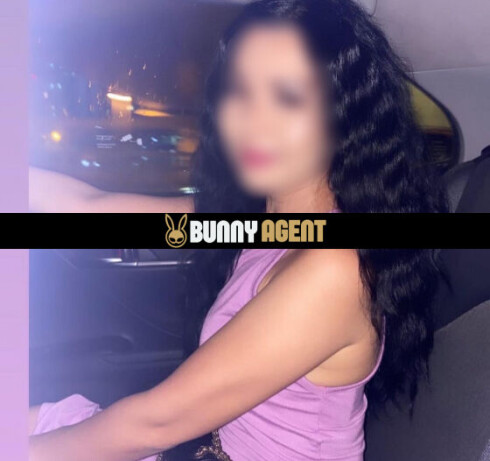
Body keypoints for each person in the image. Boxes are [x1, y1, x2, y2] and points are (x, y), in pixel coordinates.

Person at [28, 1, 448, 460]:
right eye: (239, 91)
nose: (253, 121)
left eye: (288, 97)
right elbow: (90, 207)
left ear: (344, 115)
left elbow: (155, 423)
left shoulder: (334, 268)